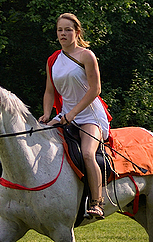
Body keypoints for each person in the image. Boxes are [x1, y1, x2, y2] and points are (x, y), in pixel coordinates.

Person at [38, 13, 111, 219]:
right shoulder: (53, 60)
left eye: (68, 29)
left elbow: (95, 89)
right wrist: (46, 114)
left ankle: (97, 203)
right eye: (60, 30)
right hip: (65, 114)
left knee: (88, 153)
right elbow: (49, 91)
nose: (63, 33)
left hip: (90, 115)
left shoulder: (86, 56)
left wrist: (72, 113)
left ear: (77, 32)